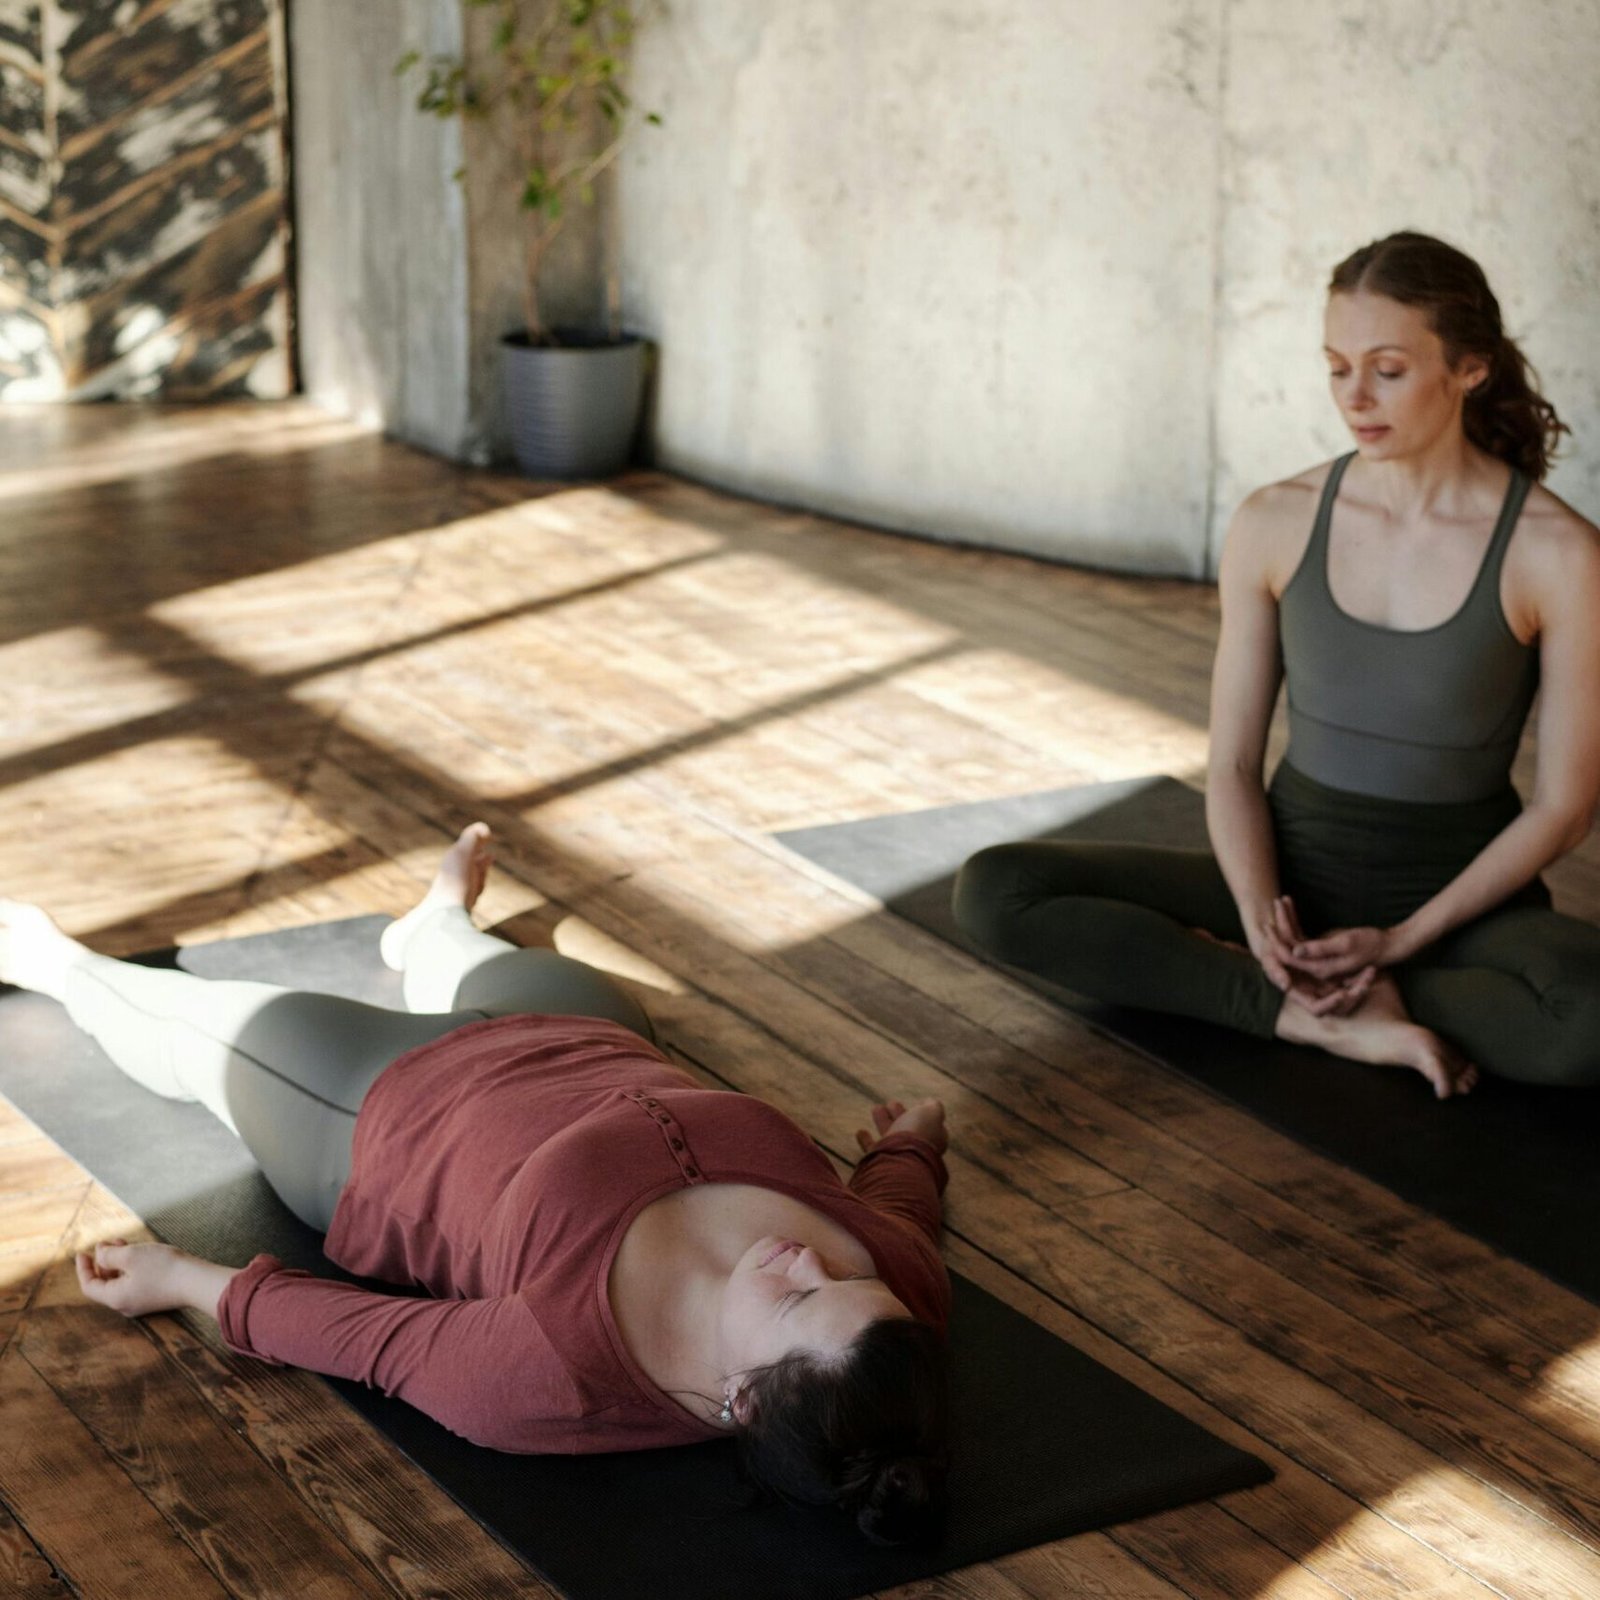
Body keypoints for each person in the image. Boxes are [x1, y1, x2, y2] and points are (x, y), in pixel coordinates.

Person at [0, 823, 952, 1544]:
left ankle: (54, 963)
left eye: (798, 1299)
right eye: (844, 1274)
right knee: (501, 964)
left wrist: (184, 1283)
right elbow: (897, 1215)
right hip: (588, 1032)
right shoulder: (892, 1297)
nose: (807, 1260)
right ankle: (435, 928)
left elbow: (375, 1341)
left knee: (174, 1019)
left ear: (742, 1402)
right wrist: (911, 1148)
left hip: (373, 1106)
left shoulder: (549, 1379)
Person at [954, 231, 1600, 1098]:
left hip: (1459, 907)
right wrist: (1263, 928)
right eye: (1337, 368)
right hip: (1292, 879)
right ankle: (1296, 1010)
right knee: (998, 890)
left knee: (1587, 1016)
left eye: (1388, 369)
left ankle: (1382, 992)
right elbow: (1228, 764)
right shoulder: (1276, 520)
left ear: (1470, 368)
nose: (1355, 397)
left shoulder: (1556, 553)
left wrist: (1400, 942)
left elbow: (1566, 809)